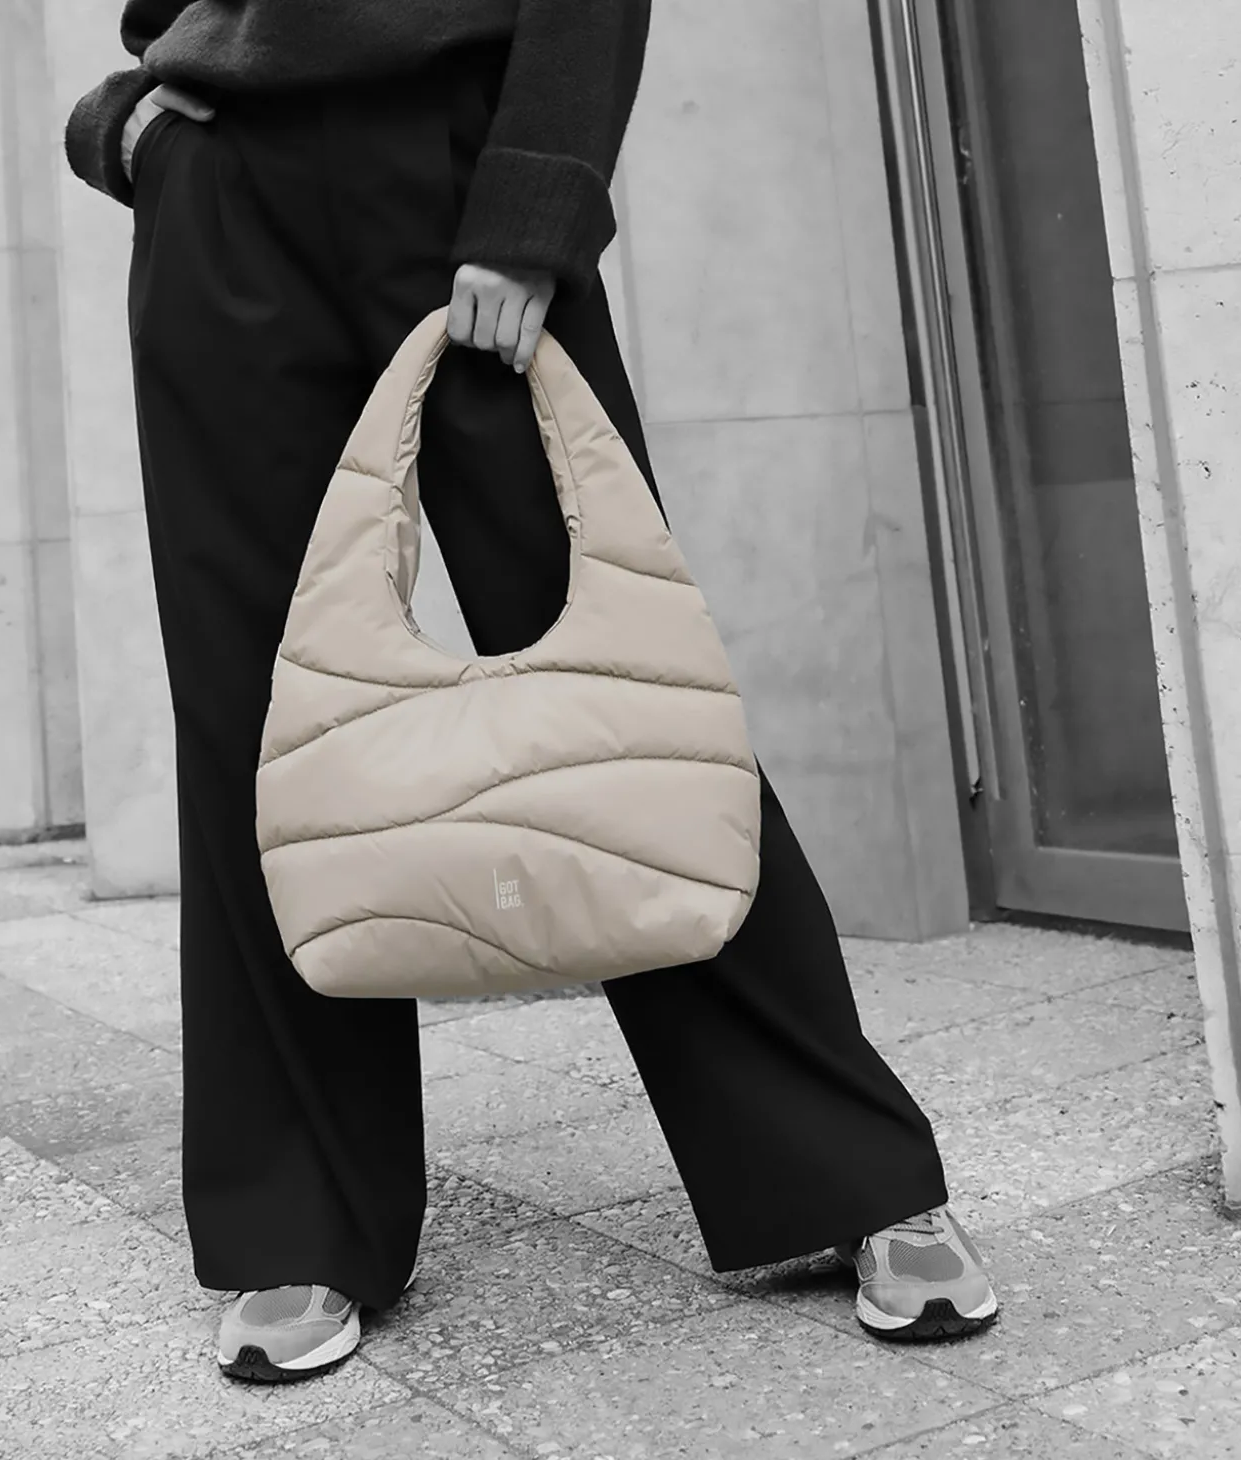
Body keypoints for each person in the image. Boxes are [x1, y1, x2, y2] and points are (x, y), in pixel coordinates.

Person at [66, 0, 1000, 1383]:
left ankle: (846, 1172)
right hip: (222, 189)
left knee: (626, 700)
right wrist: (129, 120)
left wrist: (535, 199)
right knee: (256, 723)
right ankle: (303, 1221)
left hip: (463, 166)